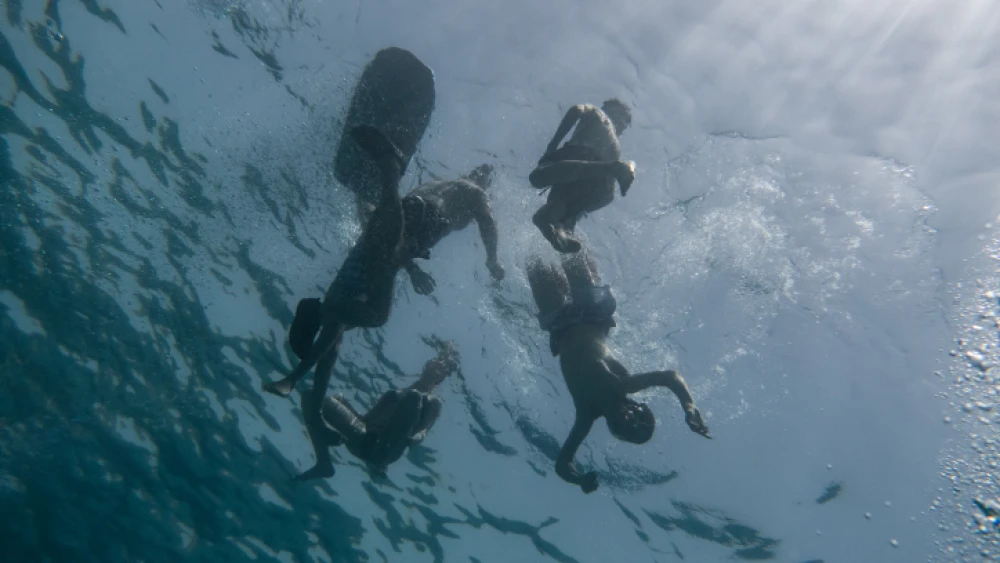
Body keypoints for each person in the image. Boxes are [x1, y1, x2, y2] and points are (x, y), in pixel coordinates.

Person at [262, 124, 409, 480]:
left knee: (318, 389)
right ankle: (391, 159)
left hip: (378, 279)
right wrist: (292, 378)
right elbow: (324, 337)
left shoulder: (332, 318)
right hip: (377, 284)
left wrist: (320, 445)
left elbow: (318, 390)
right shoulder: (331, 315)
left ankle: (323, 461)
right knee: (392, 200)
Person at [525, 250, 712, 493]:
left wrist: (579, 479)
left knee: (534, 256)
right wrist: (688, 407)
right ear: (638, 407)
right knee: (567, 245)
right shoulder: (622, 385)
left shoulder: (586, 415)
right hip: (593, 313)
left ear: (617, 432)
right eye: (639, 420)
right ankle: (565, 220)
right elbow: (671, 377)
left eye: (631, 430)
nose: (631, 421)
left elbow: (562, 464)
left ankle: (532, 229)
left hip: (560, 325)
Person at [300, 337, 459, 478]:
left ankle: (378, 464)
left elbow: (424, 430)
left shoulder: (433, 402)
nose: (433, 366)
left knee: (414, 397)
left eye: (439, 368)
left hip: (385, 449)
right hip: (362, 438)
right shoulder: (393, 393)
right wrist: (345, 404)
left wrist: (412, 439)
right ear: (425, 365)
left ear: (442, 377)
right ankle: (323, 462)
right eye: (432, 363)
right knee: (311, 397)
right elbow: (365, 420)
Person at [528, 99, 636, 254]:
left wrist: (552, 147)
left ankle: (557, 224)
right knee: (560, 210)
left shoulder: (600, 118)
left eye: (624, 125)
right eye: (622, 119)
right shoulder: (602, 118)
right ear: (608, 108)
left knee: (537, 179)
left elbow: (576, 110)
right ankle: (557, 230)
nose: (621, 126)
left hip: (582, 163)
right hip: (597, 188)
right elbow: (576, 110)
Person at [400, 164, 505, 295]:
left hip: (402, 208)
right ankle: (411, 268)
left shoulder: (437, 183)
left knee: (389, 244)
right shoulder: (477, 192)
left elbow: (400, 234)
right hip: (429, 218)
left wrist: (412, 268)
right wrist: (492, 261)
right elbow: (487, 221)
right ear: (485, 182)